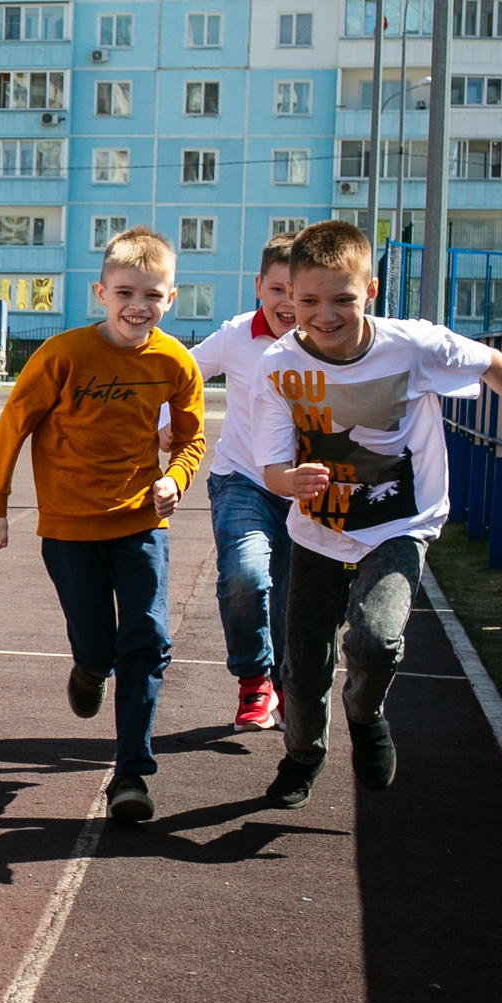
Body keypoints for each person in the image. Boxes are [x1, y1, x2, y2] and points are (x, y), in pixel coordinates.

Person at [254, 220, 502, 808]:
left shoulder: (412, 345)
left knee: (377, 639)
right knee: (303, 667)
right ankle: (303, 755)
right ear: (287, 297)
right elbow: (272, 469)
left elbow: (490, 363)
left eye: (343, 300)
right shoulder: (277, 366)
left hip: (400, 523)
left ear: (372, 292)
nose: (324, 315)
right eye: (307, 301)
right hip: (319, 530)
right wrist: (292, 480)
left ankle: (365, 713)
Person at [0, 226, 206, 826]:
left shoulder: (176, 362)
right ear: (100, 292)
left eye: (153, 296)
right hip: (70, 529)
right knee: (98, 642)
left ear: (171, 299)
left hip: (141, 523)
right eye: (125, 292)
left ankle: (131, 774)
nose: (138, 306)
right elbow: (13, 426)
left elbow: (191, 438)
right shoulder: (63, 355)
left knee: (149, 639)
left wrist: (174, 481)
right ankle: (87, 666)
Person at [189, 233, 301, 733]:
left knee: (291, 601)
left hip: (307, 492)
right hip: (242, 480)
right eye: (278, 289)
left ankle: (285, 685)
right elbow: (181, 372)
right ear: (259, 287)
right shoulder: (237, 336)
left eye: (301, 291)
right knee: (246, 578)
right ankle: (255, 681)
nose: (289, 303)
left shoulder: (329, 338)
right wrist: (161, 422)